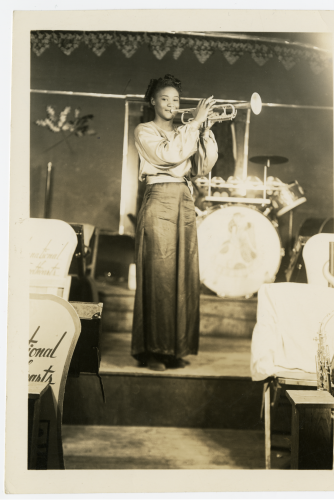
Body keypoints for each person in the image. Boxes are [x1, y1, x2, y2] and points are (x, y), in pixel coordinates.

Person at [131, 74, 218, 371]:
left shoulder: (186, 130)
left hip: (183, 199)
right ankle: (153, 351)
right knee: (160, 277)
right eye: (165, 99)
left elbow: (202, 168)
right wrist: (194, 125)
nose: (171, 104)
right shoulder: (144, 130)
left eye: (176, 100)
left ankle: (173, 349)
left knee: (182, 275)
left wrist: (204, 130)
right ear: (153, 101)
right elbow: (168, 155)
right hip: (159, 199)